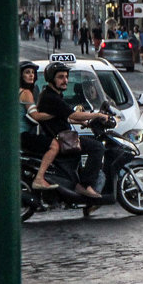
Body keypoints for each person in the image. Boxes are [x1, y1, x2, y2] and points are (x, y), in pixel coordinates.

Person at [35, 62, 111, 199]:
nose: (65, 80)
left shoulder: (53, 95)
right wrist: (97, 115)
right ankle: (85, 186)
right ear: (52, 79)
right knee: (97, 147)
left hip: (62, 135)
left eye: (66, 77)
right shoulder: (51, 97)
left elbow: (62, 116)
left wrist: (83, 122)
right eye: (60, 77)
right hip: (63, 139)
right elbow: (72, 114)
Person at [19, 63, 60, 191]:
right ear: (20, 75)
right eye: (27, 72)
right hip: (22, 135)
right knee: (54, 145)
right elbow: (35, 116)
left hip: (20, 134)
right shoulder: (26, 93)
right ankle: (39, 179)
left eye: (32, 72)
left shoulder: (20, 91)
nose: (31, 75)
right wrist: (56, 114)